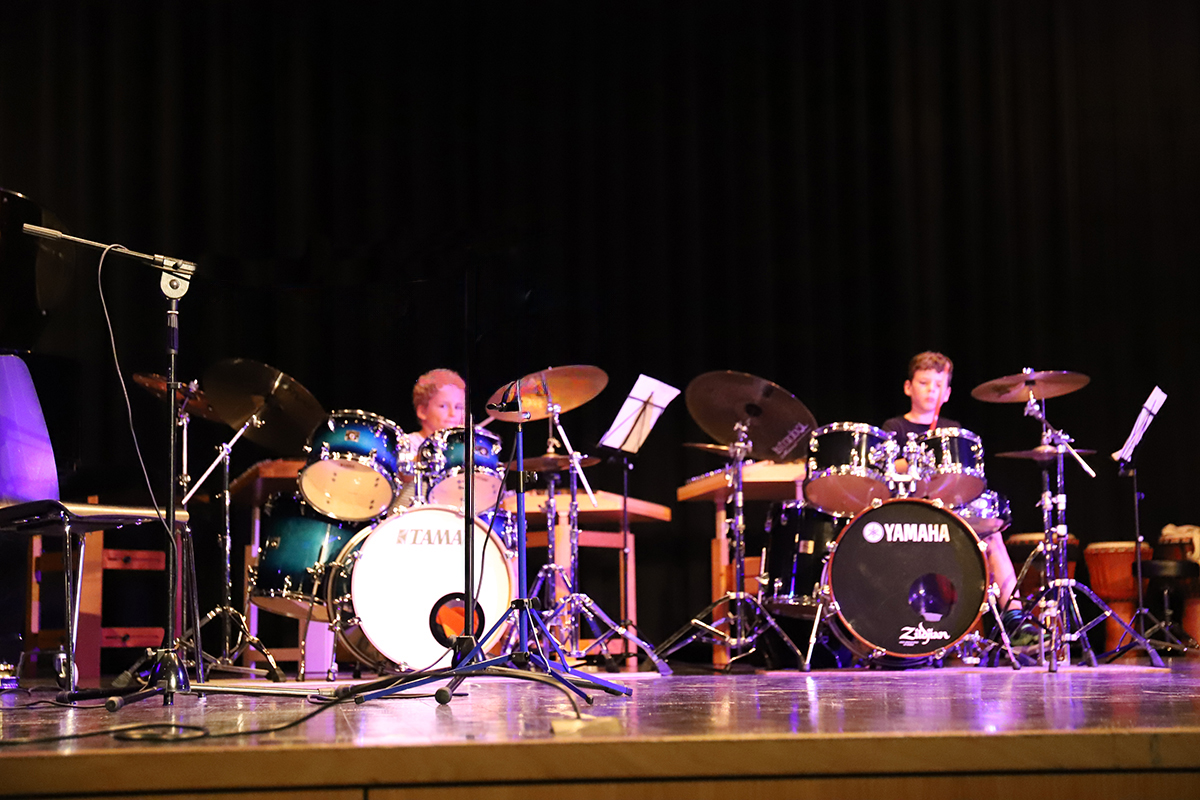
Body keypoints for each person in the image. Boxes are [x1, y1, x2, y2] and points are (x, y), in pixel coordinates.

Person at [881, 351, 1032, 646]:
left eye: (938, 385)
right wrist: (919, 459)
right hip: (909, 513)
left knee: (993, 534)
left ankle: (1015, 618)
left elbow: (965, 478)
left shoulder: (953, 430)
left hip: (950, 511)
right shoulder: (895, 427)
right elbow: (887, 468)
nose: (931, 390)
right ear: (908, 387)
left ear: (947, 393)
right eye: (924, 383)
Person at [407, 368, 466, 450]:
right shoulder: (408, 444)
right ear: (422, 411)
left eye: (458, 407)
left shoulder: (465, 448)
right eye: (443, 406)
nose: (453, 413)